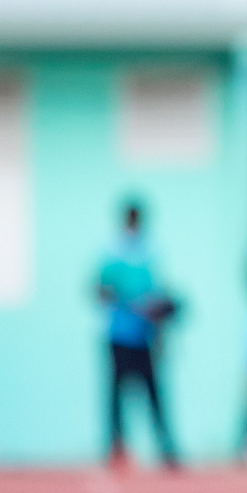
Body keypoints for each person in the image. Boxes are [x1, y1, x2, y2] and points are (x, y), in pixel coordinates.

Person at [97, 200, 180, 470]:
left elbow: (160, 292)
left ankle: (165, 447)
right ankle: (117, 446)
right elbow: (99, 290)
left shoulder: (150, 252)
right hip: (119, 333)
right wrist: (128, 303)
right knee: (116, 394)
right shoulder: (112, 251)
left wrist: (158, 310)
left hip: (145, 335)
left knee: (154, 393)